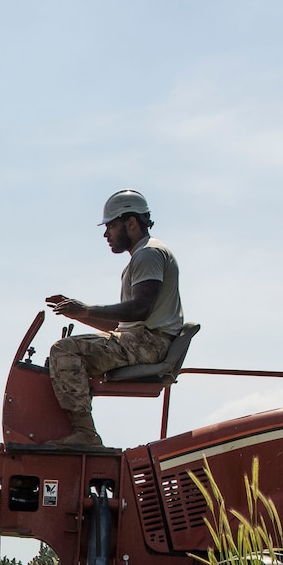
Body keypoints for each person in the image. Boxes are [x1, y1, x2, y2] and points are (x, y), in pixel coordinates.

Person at [42, 189, 187, 448]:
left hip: (149, 343)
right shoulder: (144, 256)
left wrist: (86, 309)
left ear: (131, 223)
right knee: (67, 352)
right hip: (142, 340)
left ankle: (84, 434)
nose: (106, 234)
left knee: (63, 351)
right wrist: (80, 313)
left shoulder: (148, 254)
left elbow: (139, 309)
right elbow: (124, 324)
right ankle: (78, 431)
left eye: (111, 225)